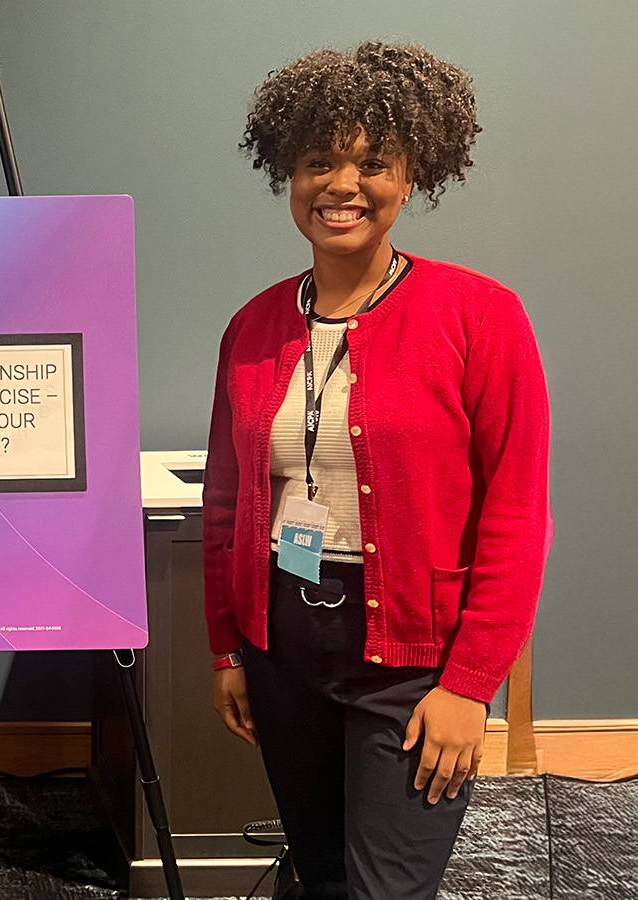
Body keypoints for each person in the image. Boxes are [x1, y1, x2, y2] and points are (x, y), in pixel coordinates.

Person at [203, 43, 551, 900]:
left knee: (386, 889)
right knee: (321, 876)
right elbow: (226, 508)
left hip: (411, 657)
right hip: (282, 644)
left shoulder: (480, 316)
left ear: (411, 177)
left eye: (372, 164)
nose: (342, 185)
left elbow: (516, 515)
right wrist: (227, 648)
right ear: (289, 176)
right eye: (319, 163)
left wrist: (470, 686)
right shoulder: (252, 327)